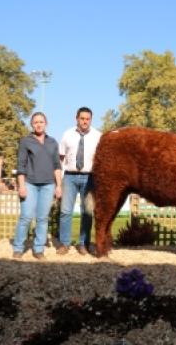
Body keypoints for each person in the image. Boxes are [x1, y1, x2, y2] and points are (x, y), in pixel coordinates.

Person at [12, 112, 62, 259]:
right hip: (30, 184)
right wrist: (21, 186)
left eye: (41, 122)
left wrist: (59, 185)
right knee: (26, 217)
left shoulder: (53, 142)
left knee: (42, 218)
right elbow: (21, 165)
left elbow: (57, 165)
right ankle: (18, 248)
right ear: (32, 125)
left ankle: (38, 249)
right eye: (35, 122)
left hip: (48, 185)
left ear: (46, 123)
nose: (39, 124)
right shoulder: (25, 141)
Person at [56, 107, 102, 255]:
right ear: (76, 118)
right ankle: (64, 243)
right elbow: (60, 158)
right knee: (65, 211)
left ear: (91, 120)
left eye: (87, 119)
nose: (85, 121)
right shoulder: (67, 135)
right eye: (82, 118)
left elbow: (101, 160)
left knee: (87, 212)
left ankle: (83, 244)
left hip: (89, 177)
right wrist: (61, 177)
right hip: (69, 176)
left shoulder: (98, 136)